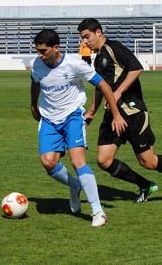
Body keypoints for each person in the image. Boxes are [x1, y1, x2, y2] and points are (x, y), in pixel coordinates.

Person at [77, 18, 162, 203]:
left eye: (87, 36)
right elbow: (100, 88)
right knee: (103, 160)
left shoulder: (114, 48)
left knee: (148, 162)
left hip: (133, 113)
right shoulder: (98, 58)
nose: (85, 41)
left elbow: (136, 68)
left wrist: (118, 92)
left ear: (98, 32)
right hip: (112, 115)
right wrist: (91, 112)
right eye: (82, 38)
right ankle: (145, 185)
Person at [30, 29, 127, 227]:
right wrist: (33, 105)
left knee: (77, 161)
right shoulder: (36, 64)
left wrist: (116, 114)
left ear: (56, 47)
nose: (39, 55)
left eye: (43, 50)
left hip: (72, 116)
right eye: (37, 50)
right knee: (48, 162)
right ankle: (74, 186)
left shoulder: (74, 64)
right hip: (49, 118)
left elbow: (104, 85)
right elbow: (35, 83)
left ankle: (98, 211)